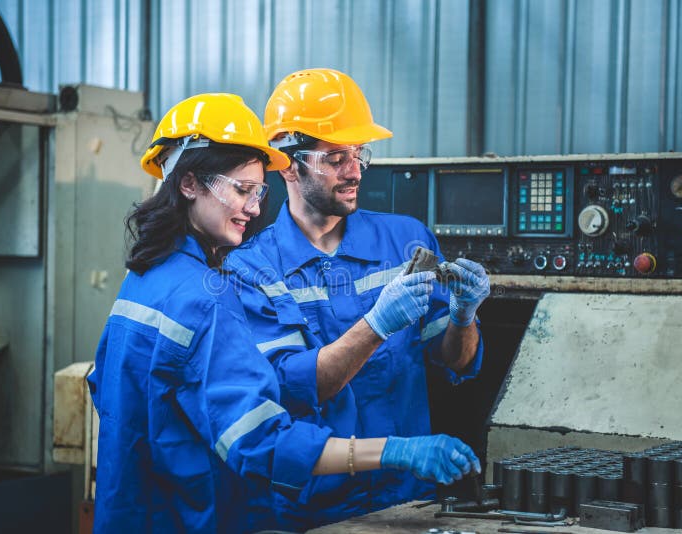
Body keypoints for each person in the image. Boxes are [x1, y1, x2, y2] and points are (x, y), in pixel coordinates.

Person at [86, 92, 480, 534]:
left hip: (138, 510)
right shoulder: (213, 291)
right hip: (201, 515)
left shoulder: (143, 279)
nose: (254, 208)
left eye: (258, 192)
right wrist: (396, 450)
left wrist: (463, 314)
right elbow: (261, 439)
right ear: (189, 183)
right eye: (241, 190)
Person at [225, 68, 492, 530]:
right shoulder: (251, 270)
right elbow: (293, 390)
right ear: (288, 164)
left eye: (359, 154)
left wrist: (463, 317)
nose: (354, 171)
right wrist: (376, 326)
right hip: (313, 510)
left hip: (408, 499)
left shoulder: (405, 240)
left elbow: (453, 360)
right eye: (334, 158)